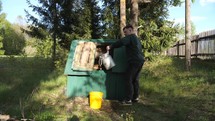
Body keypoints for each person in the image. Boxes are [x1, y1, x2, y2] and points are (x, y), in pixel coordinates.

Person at [106, 24, 144, 105]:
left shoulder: (130, 37)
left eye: (125, 32)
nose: (125, 34)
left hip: (134, 61)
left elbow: (122, 42)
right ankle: (135, 98)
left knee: (128, 79)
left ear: (130, 30)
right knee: (135, 79)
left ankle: (128, 100)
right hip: (140, 60)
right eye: (124, 33)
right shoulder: (137, 39)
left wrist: (111, 46)